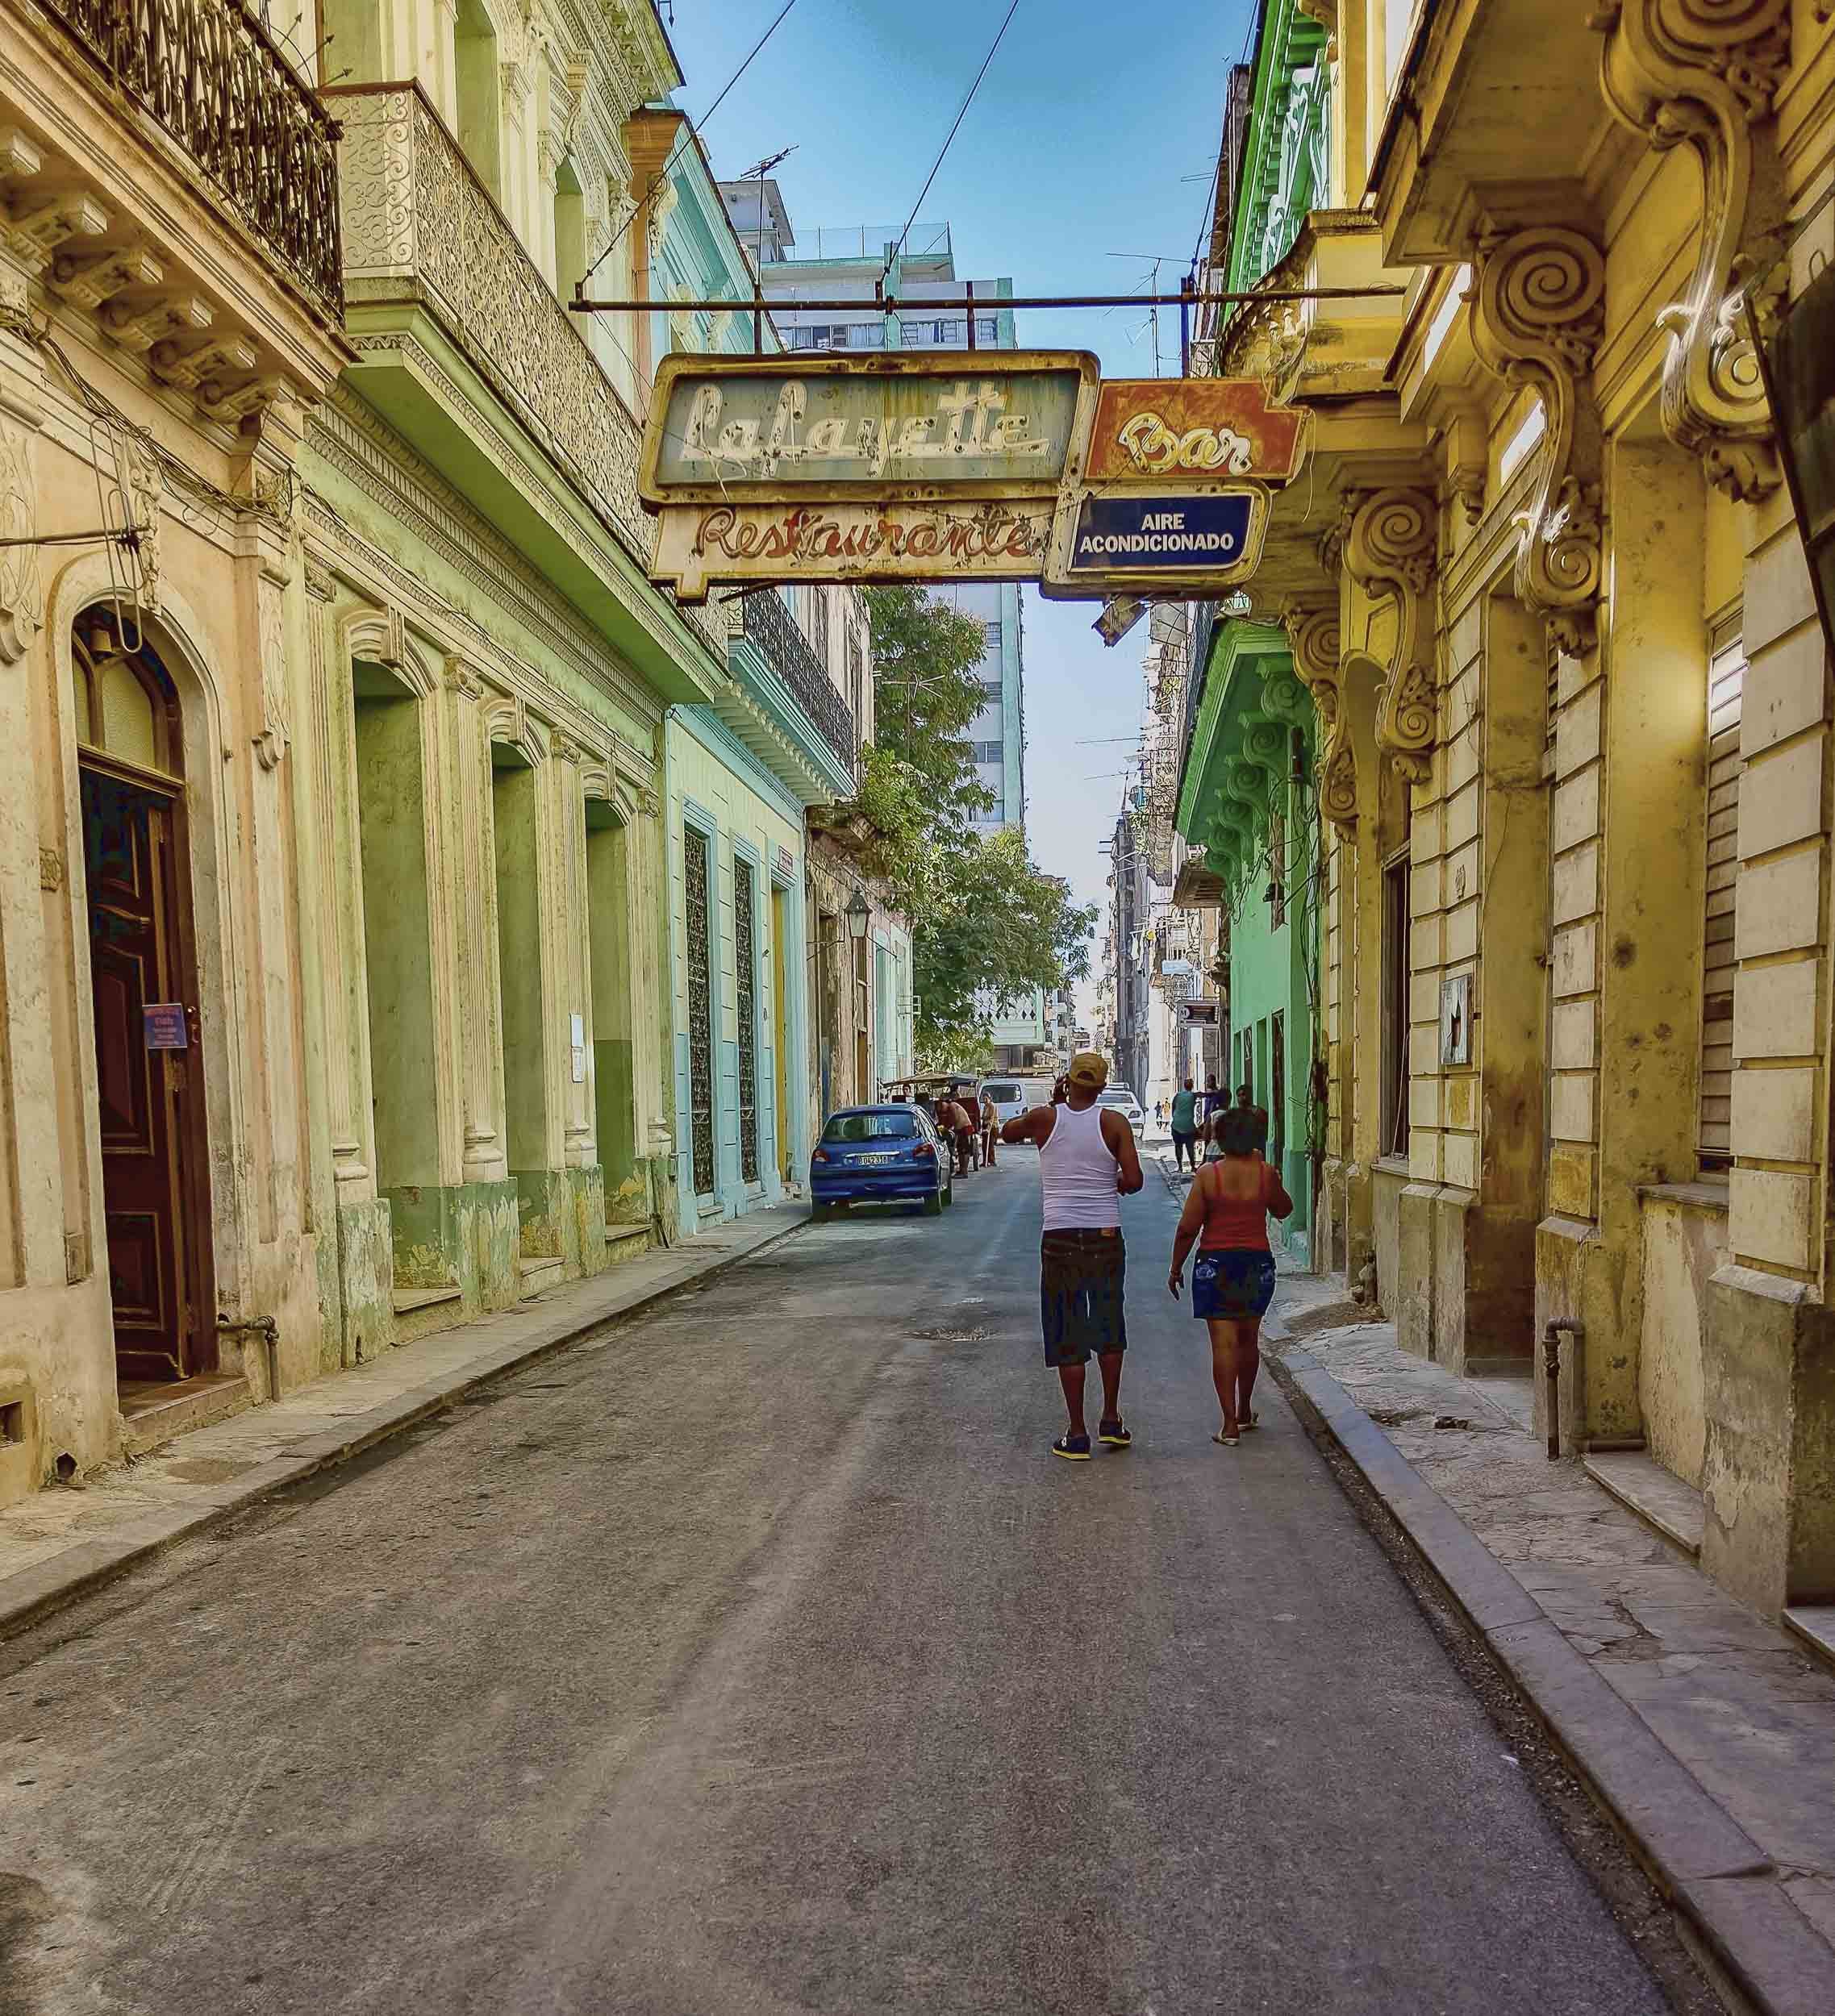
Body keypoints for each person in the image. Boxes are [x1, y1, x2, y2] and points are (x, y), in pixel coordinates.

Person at [1002, 1052, 1145, 1460]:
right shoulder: (1113, 1123)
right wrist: (1113, 1182)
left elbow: (1009, 1132)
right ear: (1101, 1086)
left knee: (1068, 1332)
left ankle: (1077, 1433)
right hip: (1104, 1235)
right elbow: (1133, 1180)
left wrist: (1050, 1103)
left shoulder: (1047, 1119)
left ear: (1068, 1081)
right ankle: (1112, 1420)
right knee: (1108, 1324)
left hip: (1060, 1237)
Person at [1167, 1104, 1294, 1445]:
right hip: (1256, 1263)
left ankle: (1228, 1425)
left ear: (1221, 1140)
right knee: (1248, 1339)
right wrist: (1275, 1182)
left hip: (1215, 1265)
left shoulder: (1209, 1175)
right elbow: (1284, 1210)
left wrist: (1176, 1266)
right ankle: (1244, 1409)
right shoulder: (1265, 1173)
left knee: (1222, 1344)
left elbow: (1187, 1228)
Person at [1169, 1076, 1199, 1173]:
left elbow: (1173, 1108)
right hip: (1188, 1126)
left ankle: (1180, 1167)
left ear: (1184, 1086)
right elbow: (1203, 1095)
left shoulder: (1178, 1095)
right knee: (1190, 1147)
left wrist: (1175, 1118)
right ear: (1192, 1086)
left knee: (1178, 1146)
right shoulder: (1193, 1095)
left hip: (1176, 1125)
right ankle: (1193, 1166)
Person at [979, 1089, 1000, 1168]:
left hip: (992, 1127)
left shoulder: (992, 1106)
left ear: (990, 1098)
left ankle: (992, 1161)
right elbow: (983, 1117)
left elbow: (991, 1119)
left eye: (986, 1099)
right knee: (984, 1145)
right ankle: (985, 1161)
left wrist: (988, 1129)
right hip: (985, 1126)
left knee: (990, 1144)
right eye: (984, 1099)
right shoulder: (985, 1106)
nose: (985, 1101)